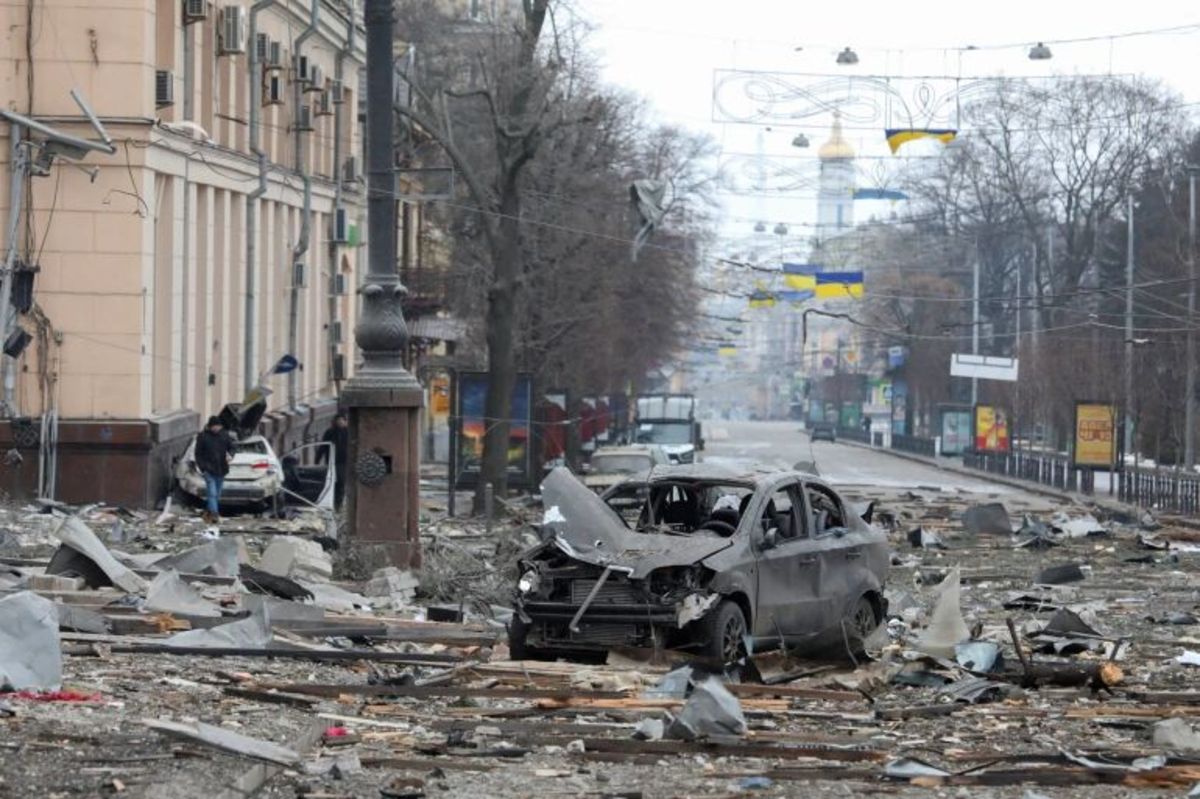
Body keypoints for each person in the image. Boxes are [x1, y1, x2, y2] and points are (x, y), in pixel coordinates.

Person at [194, 415, 233, 524]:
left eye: (218, 426)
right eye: (215, 426)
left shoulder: (224, 435)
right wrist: (203, 468)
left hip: (221, 469)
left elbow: (232, 447)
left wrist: (230, 455)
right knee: (212, 493)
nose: (216, 428)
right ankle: (215, 515)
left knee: (217, 494)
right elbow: (198, 454)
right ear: (210, 426)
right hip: (208, 469)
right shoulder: (203, 436)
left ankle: (208, 513)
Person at [319, 412, 349, 508]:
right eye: (338, 421)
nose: (340, 423)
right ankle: (332, 503)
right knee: (331, 482)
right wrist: (317, 459)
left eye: (342, 421)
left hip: (343, 462)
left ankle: (338, 504)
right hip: (331, 462)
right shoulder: (330, 432)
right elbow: (322, 447)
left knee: (341, 482)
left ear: (345, 421)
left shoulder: (349, 432)